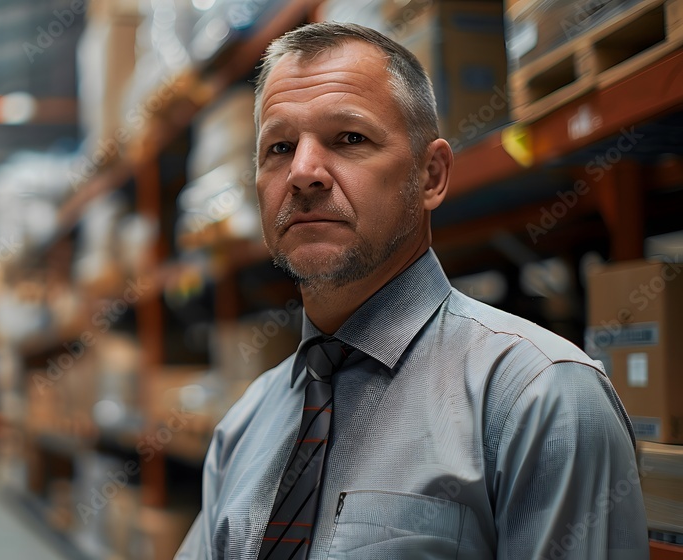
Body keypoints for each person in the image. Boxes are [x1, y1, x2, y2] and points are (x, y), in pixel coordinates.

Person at [175, 21, 649, 560]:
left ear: (431, 176)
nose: (303, 172)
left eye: (349, 138)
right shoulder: (244, 427)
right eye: (279, 147)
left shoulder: (541, 400)